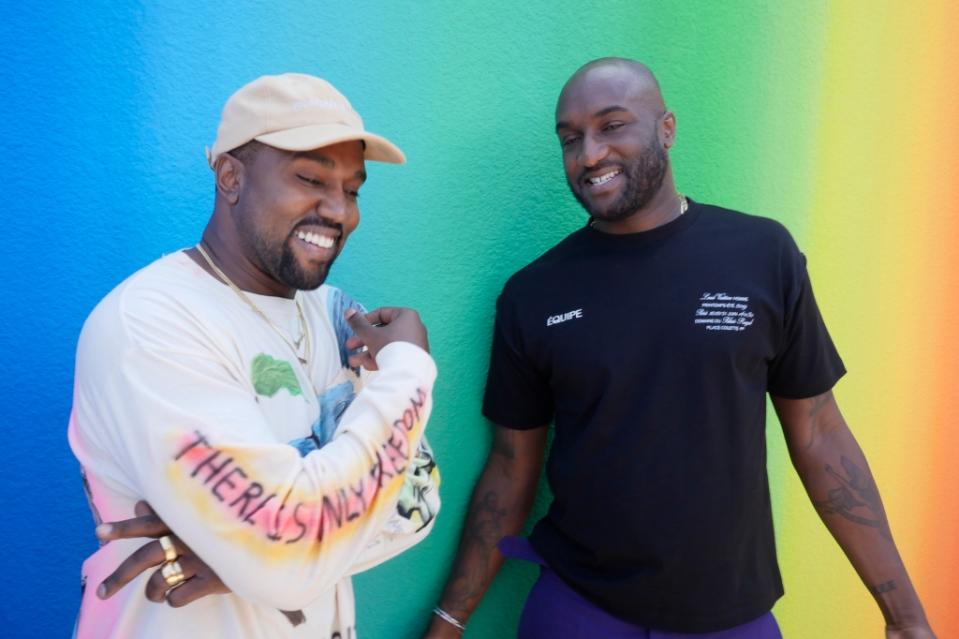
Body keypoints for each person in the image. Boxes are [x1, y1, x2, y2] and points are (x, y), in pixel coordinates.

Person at [423, 58, 936, 639]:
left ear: (667, 128)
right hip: (577, 611)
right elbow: (512, 467)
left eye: (612, 126)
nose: (589, 155)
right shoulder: (533, 293)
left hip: (731, 618)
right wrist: (447, 622)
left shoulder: (762, 255)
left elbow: (819, 434)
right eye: (570, 139)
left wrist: (904, 615)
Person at [68, 73, 441, 639]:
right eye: (311, 178)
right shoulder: (150, 323)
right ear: (230, 177)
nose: (340, 212)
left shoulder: (340, 314)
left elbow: (417, 503)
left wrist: (246, 560)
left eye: (354, 189)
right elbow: (292, 554)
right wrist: (410, 369)